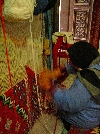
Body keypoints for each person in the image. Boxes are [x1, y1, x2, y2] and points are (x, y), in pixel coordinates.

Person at [46, 41, 100, 133]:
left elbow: (69, 104)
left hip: (87, 120)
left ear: (79, 61)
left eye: (71, 60)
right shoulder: (95, 66)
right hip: (95, 114)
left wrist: (50, 88)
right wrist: (62, 69)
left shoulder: (86, 81)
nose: (70, 62)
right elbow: (76, 67)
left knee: (59, 110)